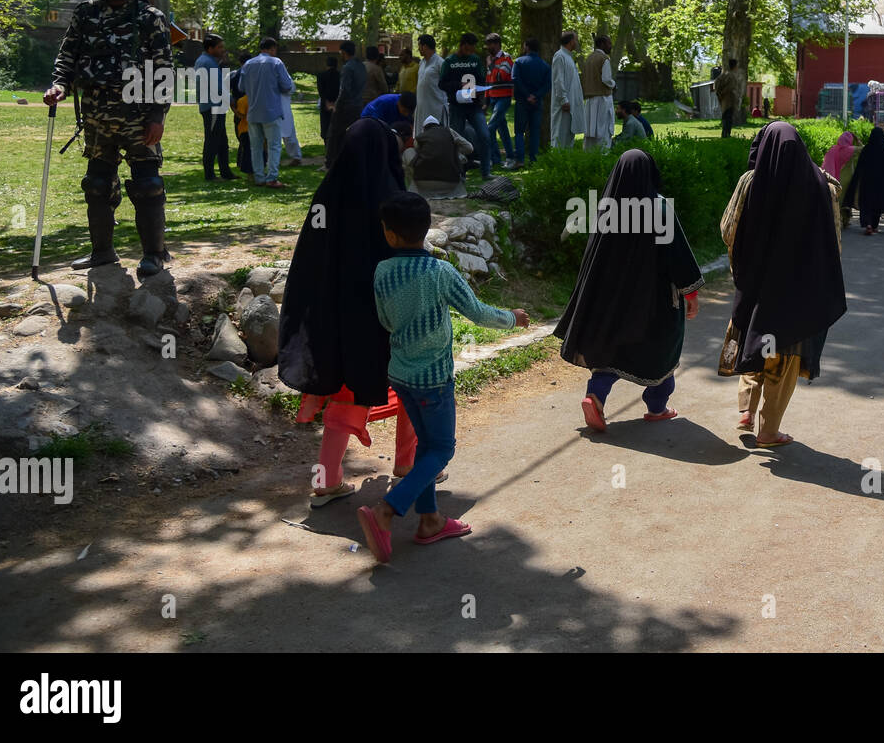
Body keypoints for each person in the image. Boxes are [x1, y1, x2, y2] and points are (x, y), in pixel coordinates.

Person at [356, 191, 529, 563]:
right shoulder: (439, 272)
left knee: (425, 446)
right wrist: (513, 318)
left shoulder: (382, 271)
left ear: (388, 234)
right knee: (443, 449)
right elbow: (479, 314)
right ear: (427, 228)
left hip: (400, 374)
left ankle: (431, 520)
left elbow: (385, 321)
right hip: (433, 380)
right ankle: (388, 510)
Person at [278, 119, 419, 509]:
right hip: (388, 314)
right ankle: (409, 465)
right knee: (411, 384)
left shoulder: (327, 195)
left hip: (335, 313)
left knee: (346, 392)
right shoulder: (391, 197)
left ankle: (326, 481)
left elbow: (309, 259)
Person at [44, 0, 173, 278]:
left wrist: (158, 114)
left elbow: (163, 69)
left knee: (148, 184)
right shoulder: (86, 14)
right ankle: (102, 252)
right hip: (97, 114)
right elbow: (68, 54)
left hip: (139, 116)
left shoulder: (150, 18)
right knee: (97, 183)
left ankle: (154, 254)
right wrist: (59, 85)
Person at [555, 150, 703, 433]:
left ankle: (595, 396)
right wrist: (691, 293)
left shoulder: (606, 207)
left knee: (611, 350)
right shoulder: (658, 208)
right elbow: (677, 255)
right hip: (654, 300)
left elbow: (593, 257)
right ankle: (657, 407)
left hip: (610, 300)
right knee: (662, 351)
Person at [719, 122, 846, 447]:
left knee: (754, 342)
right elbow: (835, 242)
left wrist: (742, 264)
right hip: (797, 295)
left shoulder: (749, 182)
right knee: (782, 356)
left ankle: (746, 411)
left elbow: (728, 227)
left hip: (756, 287)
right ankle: (769, 431)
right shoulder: (823, 187)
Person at [240, 37, 295, 189]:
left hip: (253, 112)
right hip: (271, 111)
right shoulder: (276, 62)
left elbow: (241, 87)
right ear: (272, 49)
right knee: (274, 146)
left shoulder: (248, 64)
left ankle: (259, 177)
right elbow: (287, 85)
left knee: (255, 147)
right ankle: (271, 177)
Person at [440, 32, 491, 179]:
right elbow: (442, 84)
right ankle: (459, 172)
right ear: (462, 45)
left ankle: (486, 172)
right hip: (457, 106)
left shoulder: (475, 60)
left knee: (485, 135)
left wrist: (479, 91)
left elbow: (482, 79)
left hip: (474, 106)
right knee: (457, 139)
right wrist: (459, 86)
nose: (471, 52)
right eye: (468, 49)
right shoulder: (449, 61)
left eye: (473, 49)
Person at [195, 33, 234, 182]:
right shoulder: (208, 62)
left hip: (213, 106)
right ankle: (210, 175)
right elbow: (217, 87)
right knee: (212, 140)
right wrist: (231, 100)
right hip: (213, 107)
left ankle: (226, 172)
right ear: (210, 48)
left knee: (222, 140)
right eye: (220, 47)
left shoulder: (205, 60)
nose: (223, 49)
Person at [407, 114, 475, 199]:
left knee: (408, 152)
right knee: (459, 156)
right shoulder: (449, 132)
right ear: (438, 125)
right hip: (450, 183)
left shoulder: (419, 137)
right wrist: (455, 150)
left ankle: (411, 187)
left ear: (424, 128)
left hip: (423, 183)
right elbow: (469, 148)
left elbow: (418, 154)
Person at [843, 126, 884, 235]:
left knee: (866, 203)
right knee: (877, 204)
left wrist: (856, 180)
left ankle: (868, 225)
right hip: (880, 184)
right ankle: (874, 226)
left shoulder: (867, 149)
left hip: (866, 182)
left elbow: (859, 166)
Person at [326, 41, 366, 168]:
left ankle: (331, 163)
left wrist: (336, 106)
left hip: (346, 107)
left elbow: (344, 90)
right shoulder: (361, 66)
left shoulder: (347, 67)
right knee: (354, 135)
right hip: (358, 105)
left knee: (334, 135)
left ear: (343, 52)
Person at [512, 37, 551, 167]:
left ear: (527, 47)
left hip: (522, 101)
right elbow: (547, 85)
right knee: (534, 131)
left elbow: (515, 79)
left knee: (519, 131)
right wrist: (535, 95)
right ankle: (533, 159)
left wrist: (527, 95)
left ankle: (520, 160)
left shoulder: (519, 62)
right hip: (537, 102)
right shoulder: (545, 65)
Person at [483, 33, 516, 169]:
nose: (488, 47)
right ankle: (508, 158)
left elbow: (501, 76)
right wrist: (485, 100)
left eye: (490, 44)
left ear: (497, 44)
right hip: (493, 98)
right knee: (503, 130)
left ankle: (495, 158)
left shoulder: (506, 58)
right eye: (487, 44)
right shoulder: (490, 60)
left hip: (504, 97)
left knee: (490, 128)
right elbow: (488, 81)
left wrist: (491, 65)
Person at [581, 33, 616, 151]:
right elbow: (606, 79)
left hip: (591, 100)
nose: (611, 46)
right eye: (609, 43)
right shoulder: (604, 59)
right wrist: (614, 84)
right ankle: (602, 154)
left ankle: (589, 154)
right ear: (602, 44)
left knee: (591, 130)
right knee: (603, 129)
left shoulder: (589, 58)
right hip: (603, 99)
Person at [551, 30, 584, 149]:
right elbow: (558, 80)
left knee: (569, 136)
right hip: (564, 104)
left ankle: (565, 163)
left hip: (571, 103)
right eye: (576, 39)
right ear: (571, 41)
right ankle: (557, 162)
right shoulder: (560, 56)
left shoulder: (568, 57)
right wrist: (563, 99)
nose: (577, 42)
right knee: (560, 136)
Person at [821, 130, 861, 228]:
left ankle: (836, 222)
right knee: (847, 201)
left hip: (836, 178)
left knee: (838, 201)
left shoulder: (833, 149)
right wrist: (857, 140)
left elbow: (826, 163)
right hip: (848, 179)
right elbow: (864, 148)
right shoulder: (852, 149)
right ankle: (846, 221)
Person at [414, 34, 448, 128]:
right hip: (422, 108)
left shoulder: (440, 63)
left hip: (436, 108)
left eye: (419, 46)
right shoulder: (422, 63)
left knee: (436, 135)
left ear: (425, 46)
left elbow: (447, 83)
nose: (418, 49)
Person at [229, 59, 253, 175]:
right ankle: (244, 164)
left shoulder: (235, 74)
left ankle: (240, 163)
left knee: (243, 141)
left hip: (240, 111)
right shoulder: (250, 73)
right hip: (248, 111)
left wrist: (233, 108)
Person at [714, 58, 744, 138]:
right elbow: (730, 88)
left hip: (723, 100)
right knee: (728, 118)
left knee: (725, 117)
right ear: (735, 66)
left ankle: (724, 134)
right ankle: (726, 134)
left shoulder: (723, 75)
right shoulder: (731, 76)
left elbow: (716, 84)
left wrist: (719, 94)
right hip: (729, 100)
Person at [316, 55, 339, 142]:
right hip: (337, 103)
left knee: (325, 126)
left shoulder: (321, 75)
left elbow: (321, 91)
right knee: (337, 127)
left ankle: (327, 147)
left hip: (325, 103)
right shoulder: (340, 75)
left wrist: (326, 101)